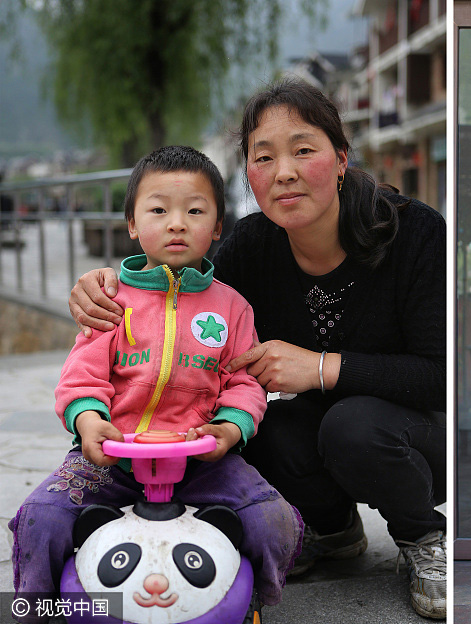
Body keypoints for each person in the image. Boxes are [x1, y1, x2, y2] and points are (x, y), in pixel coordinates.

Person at [67, 79, 447, 619]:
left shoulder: (415, 235)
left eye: (303, 150)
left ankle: (424, 538)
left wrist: (319, 368)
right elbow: (176, 296)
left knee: (353, 425)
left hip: (421, 430)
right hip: (329, 424)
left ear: (340, 159)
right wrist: (103, 285)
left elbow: (443, 375)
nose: (283, 172)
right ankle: (332, 528)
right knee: (263, 426)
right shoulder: (251, 246)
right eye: (263, 157)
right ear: (249, 174)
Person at [9, 145, 302, 623]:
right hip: (112, 457)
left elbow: (244, 382)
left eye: (195, 211)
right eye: (159, 209)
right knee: (41, 519)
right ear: (132, 223)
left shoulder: (232, 308)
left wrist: (228, 430)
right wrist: (89, 424)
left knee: (273, 521)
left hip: (202, 460)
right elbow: (81, 376)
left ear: (218, 227)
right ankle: (38, 608)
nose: (177, 223)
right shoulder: (110, 299)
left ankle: (251, 602)